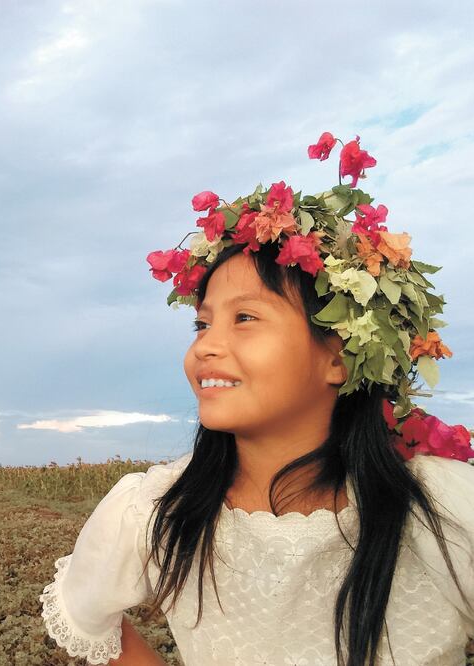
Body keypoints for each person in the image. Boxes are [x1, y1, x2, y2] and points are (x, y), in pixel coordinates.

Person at [39, 133, 474, 665]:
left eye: (245, 318)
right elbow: (87, 616)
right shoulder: (156, 509)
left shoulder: (445, 510)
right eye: (202, 324)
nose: (206, 347)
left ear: (340, 358)